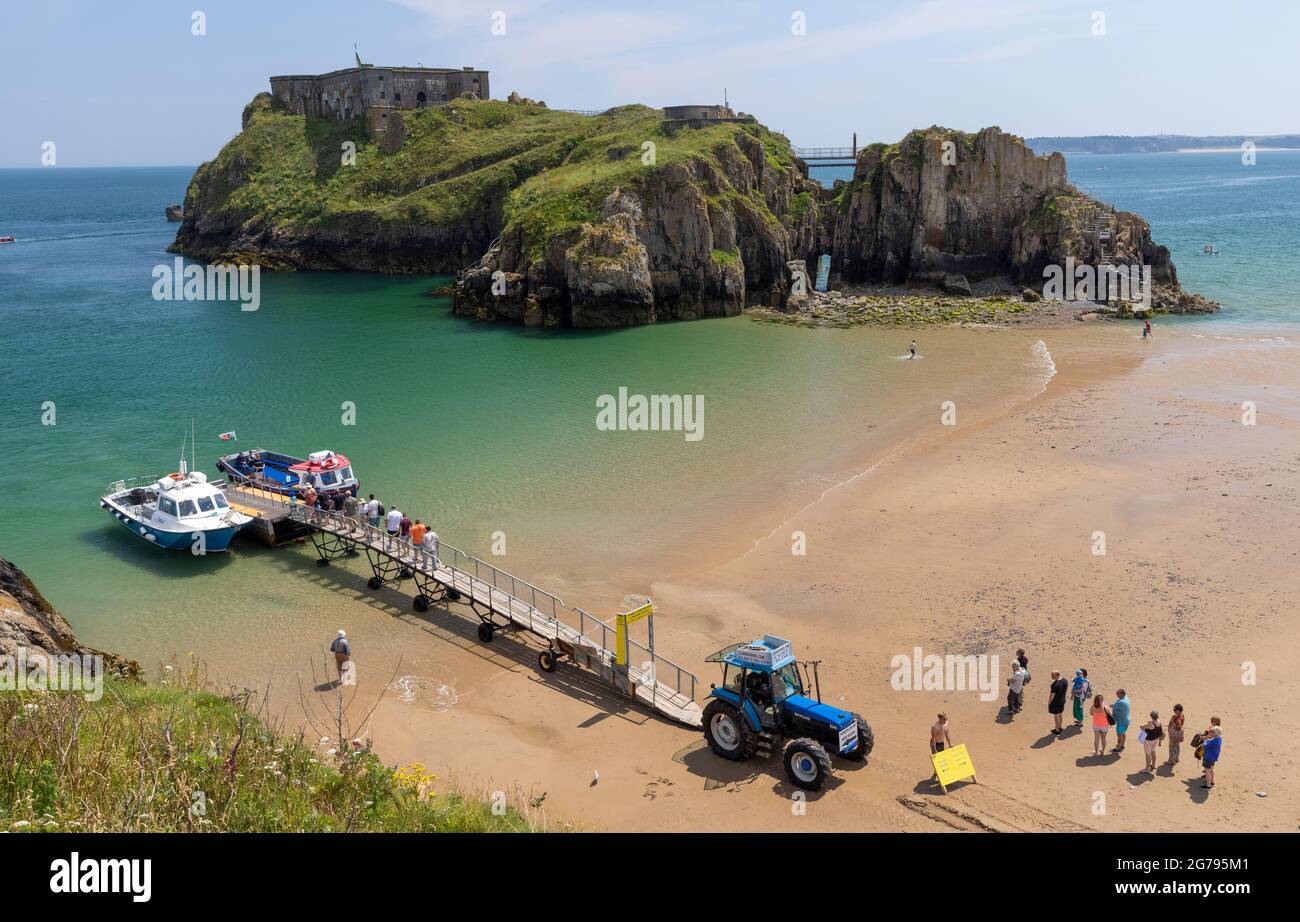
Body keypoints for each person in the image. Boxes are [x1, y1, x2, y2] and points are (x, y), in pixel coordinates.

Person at [1200, 717, 1222, 790]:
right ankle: (1212, 781)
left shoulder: (1213, 741)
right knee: (1211, 769)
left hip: (1208, 757)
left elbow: (1205, 746)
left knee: (1207, 770)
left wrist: (1205, 740)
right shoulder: (1219, 739)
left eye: (1212, 732)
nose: (1210, 732)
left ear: (1215, 733)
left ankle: (1208, 785)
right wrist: (1208, 738)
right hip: (1213, 757)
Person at [1048, 670, 1068, 734]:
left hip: (1056, 702)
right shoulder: (1065, 680)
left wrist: (1049, 702)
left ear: (1057, 675)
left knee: (1056, 715)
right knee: (1060, 714)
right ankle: (1059, 727)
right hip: (1062, 700)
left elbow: (1052, 695)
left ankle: (1057, 730)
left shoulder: (1054, 685)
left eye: (1053, 676)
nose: (1052, 677)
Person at [1111, 689, 1131, 753]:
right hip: (1126, 721)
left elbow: (1114, 706)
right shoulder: (1126, 698)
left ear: (1121, 694)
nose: (1116, 694)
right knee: (1123, 734)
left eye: (1117, 694)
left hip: (1121, 722)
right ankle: (1122, 745)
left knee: (1119, 735)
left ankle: (1118, 748)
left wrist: (1111, 706)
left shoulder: (1120, 702)